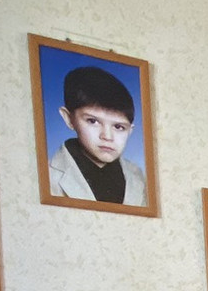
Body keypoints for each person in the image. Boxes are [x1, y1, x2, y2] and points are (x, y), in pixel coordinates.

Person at [47, 64, 148, 206]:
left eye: (119, 127)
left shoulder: (139, 176)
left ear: (130, 131)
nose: (107, 136)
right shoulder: (47, 175)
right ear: (69, 119)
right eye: (92, 121)